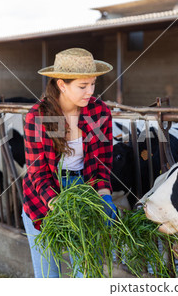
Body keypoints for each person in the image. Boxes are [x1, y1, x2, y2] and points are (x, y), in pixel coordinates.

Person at [21, 47, 117, 278]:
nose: (90, 91)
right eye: (82, 86)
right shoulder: (38, 116)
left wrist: (104, 195)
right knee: (48, 277)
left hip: (84, 196)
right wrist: (57, 203)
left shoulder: (99, 111)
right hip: (43, 200)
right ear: (62, 84)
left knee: (87, 273)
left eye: (93, 84)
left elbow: (103, 161)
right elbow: (37, 172)